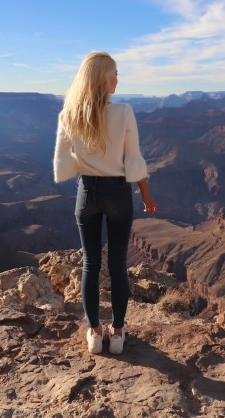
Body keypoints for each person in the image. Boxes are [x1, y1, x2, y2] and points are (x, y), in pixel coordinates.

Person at [53, 51, 157, 355]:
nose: (117, 79)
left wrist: (87, 164)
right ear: (101, 78)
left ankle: (95, 334)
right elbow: (133, 159)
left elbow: (62, 163)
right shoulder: (124, 112)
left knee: (90, 264)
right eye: (114, 73)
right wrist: (147, 195)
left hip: (86, 193)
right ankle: (119, 333)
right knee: (117, 265)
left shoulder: (69, 114)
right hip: (118, 194)